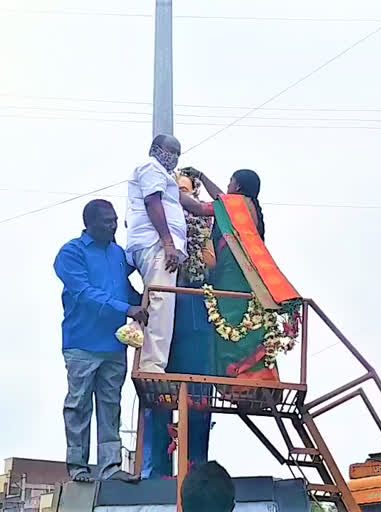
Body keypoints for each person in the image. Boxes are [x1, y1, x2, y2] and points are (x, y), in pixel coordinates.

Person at [53, 199, 147, 483]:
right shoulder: (71, 253)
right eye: (106, 221)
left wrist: (147, 303)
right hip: (81, 343)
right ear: (89, 223)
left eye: (115, 220)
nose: (113, 225)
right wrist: (126, 309)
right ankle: (78, 467)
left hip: (114, 345)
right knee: (78, 404)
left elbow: (124, 290)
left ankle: (110, 468)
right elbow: (84, 292)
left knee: (111, 405)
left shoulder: (118, 254)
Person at [143, 168, 215, 479]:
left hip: (196, 315)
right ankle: (156, 470)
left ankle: (195, 467)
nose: (180, 194)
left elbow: (211, 262)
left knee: (198, 399)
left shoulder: (205, 224)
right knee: (158, 397)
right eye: (175, 190)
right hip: (164, 316)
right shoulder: (158, 226)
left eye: (185, 190)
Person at [180, 169, 275, 382]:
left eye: (231, 182)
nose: (228, 185)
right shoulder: (243, 207)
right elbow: (221, 199)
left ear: (238, 187)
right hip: (241, 274)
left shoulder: (236, 206)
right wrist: (202, 177)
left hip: (233, 276)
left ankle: (241, 377)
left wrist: (169, 187)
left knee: (231, 320)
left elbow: (198, 208)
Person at [126, 134, 187, 373]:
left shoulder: (165, 176)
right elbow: (153, 202)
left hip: (158, 245)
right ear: (155, 149)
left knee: (159, 301)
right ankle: (152, 365)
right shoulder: (151, 167)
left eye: (177, 154)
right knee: (162, 301)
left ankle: (152, 361)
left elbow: (191, 205)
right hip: (157, 244)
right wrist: (168, 243)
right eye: (170, 151)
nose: (173, 157)